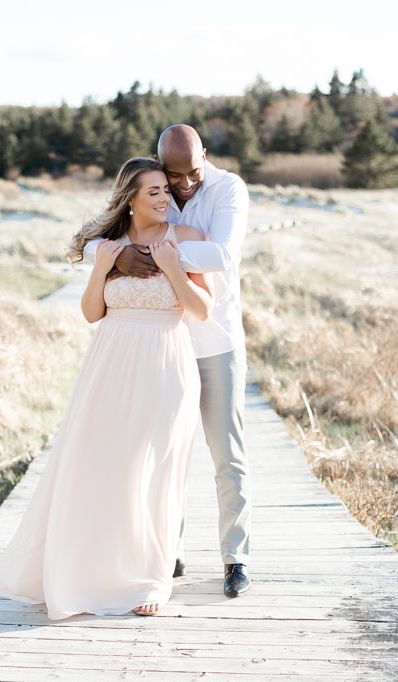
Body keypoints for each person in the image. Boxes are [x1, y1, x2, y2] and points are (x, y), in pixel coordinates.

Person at [0, 157, 213, 618]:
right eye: (153, 192)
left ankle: (149, 576)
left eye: (166, 191)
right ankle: (88, 573)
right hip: (109, 365)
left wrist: (173, 269)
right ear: (130, 198)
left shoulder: (188, 241)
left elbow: (203, 310)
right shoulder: (109, 247)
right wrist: (99, 272)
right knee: (101, 468)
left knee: (150, 470)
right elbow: (92, 313)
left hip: (166, 363)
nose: (165, 198)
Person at [83, 124, 252, 598]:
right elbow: (98, 237)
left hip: (214, 340)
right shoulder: (154, 184)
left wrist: (146, 256)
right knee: (158, 453)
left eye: (189, 174)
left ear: (207, 156)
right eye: (172, 177)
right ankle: (165, 550)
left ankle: (235, 557)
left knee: (227, 454)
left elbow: (222, 254)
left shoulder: (228, 189)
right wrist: (113, 256)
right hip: (165, 345)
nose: (181, 187)